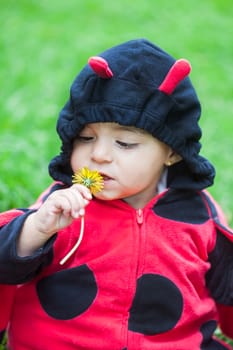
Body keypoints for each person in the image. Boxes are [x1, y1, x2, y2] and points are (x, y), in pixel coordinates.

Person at [0, 38, 233, 350]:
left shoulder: (200, 216)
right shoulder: (61, 207)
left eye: (124, 143)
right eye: (85, 137)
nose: (99, 155)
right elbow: (5, 263)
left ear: (173, 153)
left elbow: (227, 286)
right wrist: (36, 229)